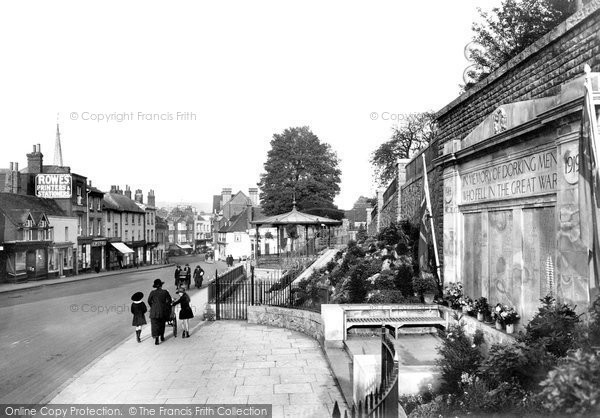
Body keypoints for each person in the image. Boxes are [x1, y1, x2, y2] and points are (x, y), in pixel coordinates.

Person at [148, 279, 172, 345]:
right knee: (162, 324)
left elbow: (149, 301)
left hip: (154, 311)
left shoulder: (152, 292)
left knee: (155, 325)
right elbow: (169, 300)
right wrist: (166, 305)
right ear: (161, 285)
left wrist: (152, 306)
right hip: (162, 310)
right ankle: (162, 336)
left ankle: (156, 339)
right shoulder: (165, 292)